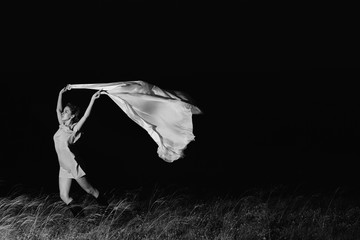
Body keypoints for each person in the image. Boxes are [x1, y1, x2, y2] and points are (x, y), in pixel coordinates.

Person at [53, 85, 108, 217]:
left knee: (90, 190)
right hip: (63, 167)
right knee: (63, 196)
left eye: (66, 112)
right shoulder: (61, 126)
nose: (63, 113)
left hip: (73, 165)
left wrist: (93, 99)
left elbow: (85, 116)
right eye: (64, 111)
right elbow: (57, 109)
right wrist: (61, 92)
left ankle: (108, 211)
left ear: (72, 116)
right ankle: (81, 218)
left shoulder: (73, 129)